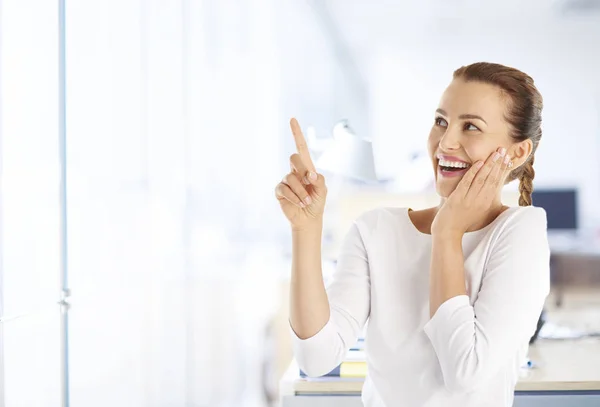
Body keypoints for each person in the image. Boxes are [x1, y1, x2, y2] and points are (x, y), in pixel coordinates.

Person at [274, 62, 550, 407]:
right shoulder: (376, 230)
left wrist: (447, 232)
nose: (446, 142)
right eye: (441, 122)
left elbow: (465, 372)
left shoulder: (520, 232)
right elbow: (315, 359)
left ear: (518, 152)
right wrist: (306, 229)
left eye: (471, 127)